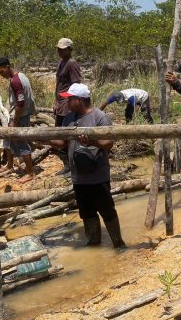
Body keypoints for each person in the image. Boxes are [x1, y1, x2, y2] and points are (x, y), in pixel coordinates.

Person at [43, 83, 126, 249]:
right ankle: (94, 244)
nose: (66, 103)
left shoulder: (99, 117)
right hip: (79, 177)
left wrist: (92, 141)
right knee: (87, 213)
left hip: (98, 176)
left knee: (107, 211)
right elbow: (62, 142)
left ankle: (118, 244)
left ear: (79, 100)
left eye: (69, 99)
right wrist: (43, 139)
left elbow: (108, 143)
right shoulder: (69, 118)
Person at [0, 57, 37, 183]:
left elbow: (20, 103)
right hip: (21, 114)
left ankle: (30, 173)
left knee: (22, 143)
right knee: (10, 139)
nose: (1, 75)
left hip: (21, 116)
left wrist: (15, 120)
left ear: (7, 67)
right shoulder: (20, 76)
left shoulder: (15, 81)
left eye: (1, 72)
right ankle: (10, 164)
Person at [54, 38, 82, 176]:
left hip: (67, 104)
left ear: (69, 49)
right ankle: (67, 164)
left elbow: (76, 85)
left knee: (67, 135)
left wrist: (66, 99)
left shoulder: (72, 63)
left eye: (62, 49)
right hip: (60, 103)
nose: (59, 51)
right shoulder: (61, 62)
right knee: (59, 133)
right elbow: (59, 83)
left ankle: (72, 166)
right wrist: (57, 100)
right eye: (58, 49)